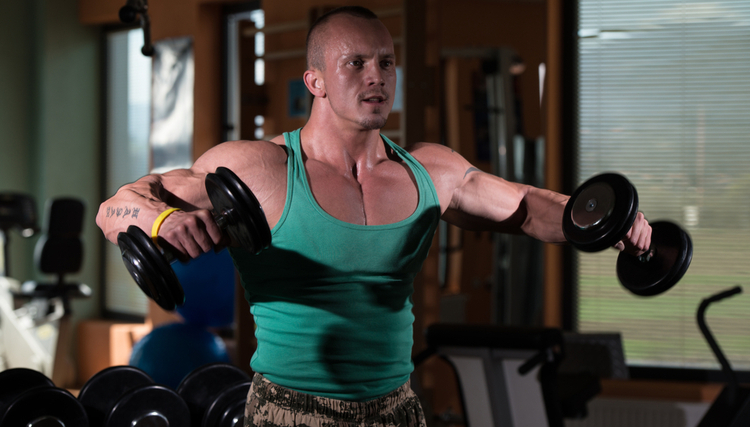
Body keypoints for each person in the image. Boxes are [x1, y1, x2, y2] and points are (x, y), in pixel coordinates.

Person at [97, 6, 651, 427]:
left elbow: (530, 209)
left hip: (399, 409)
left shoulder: (431, 171)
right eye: (355, 64)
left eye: (386, 63)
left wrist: (610, 222)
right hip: (291, 411)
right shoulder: (259, 169)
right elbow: (116, 207)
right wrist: (159, 221)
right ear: (314, 81)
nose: (376, 77)